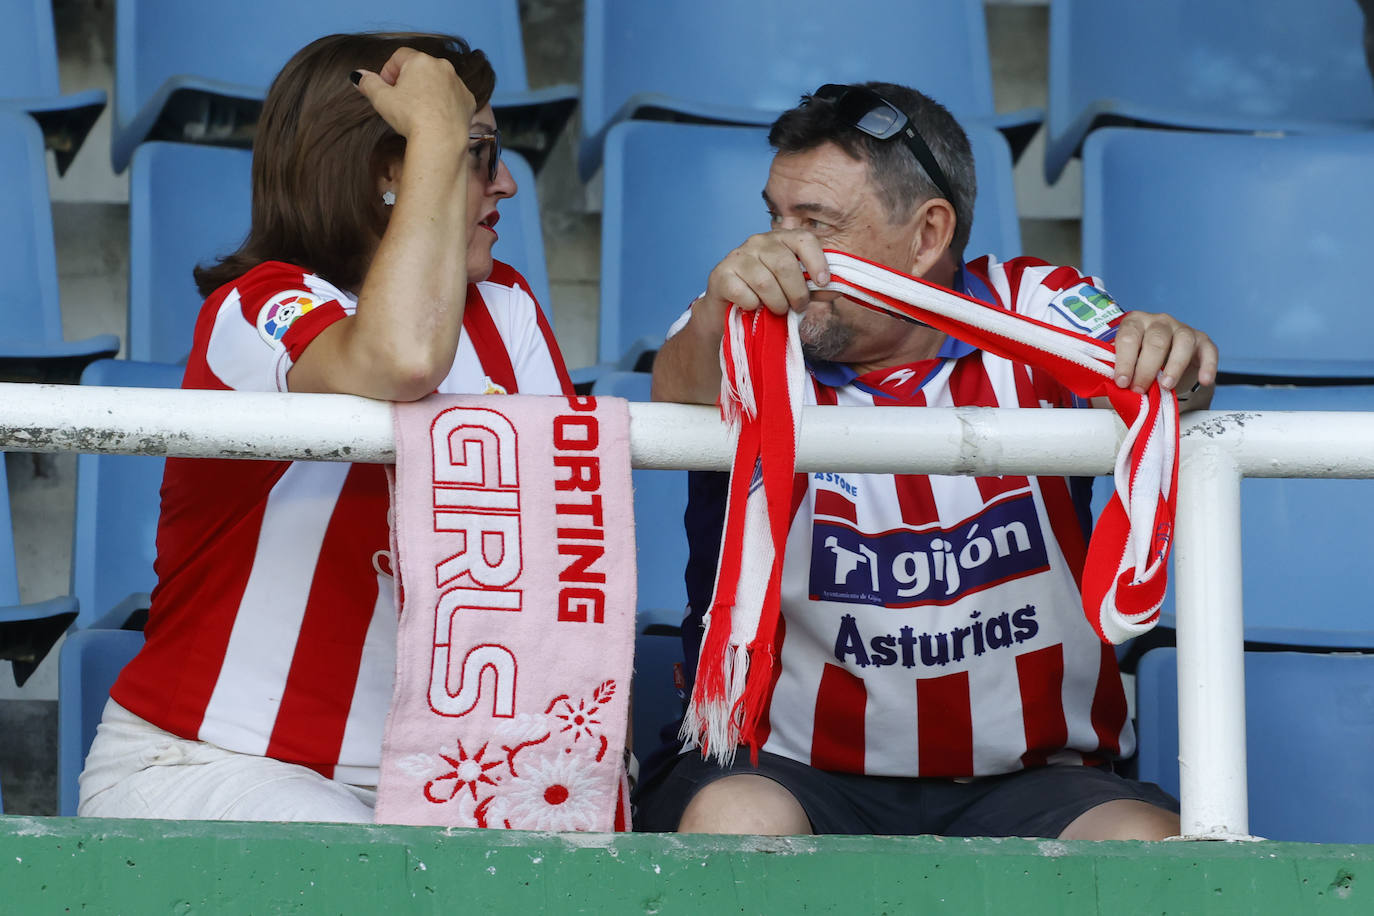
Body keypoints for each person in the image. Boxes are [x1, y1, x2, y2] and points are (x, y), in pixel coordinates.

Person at [638, 82, 1217, 840]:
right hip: (785, 767)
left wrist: (1171, 357)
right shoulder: (744, 320)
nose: (786, 250)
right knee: (733, 822)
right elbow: (678, 384)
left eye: (817, 225)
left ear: (927, 234)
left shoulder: (1036, 302)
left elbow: (1150, 371)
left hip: (1036, 779)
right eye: (775, 218)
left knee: (1148, 851)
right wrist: (725, 306)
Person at [77, 32, 573, 822]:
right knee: (372, 879)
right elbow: (402, 358)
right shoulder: (256, 304)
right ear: (390, 168)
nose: (506, 182)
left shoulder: (507, 308)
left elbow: (563, 542)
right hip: (217, 762)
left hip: (444, 779)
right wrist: (439, 143)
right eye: (482, 151)